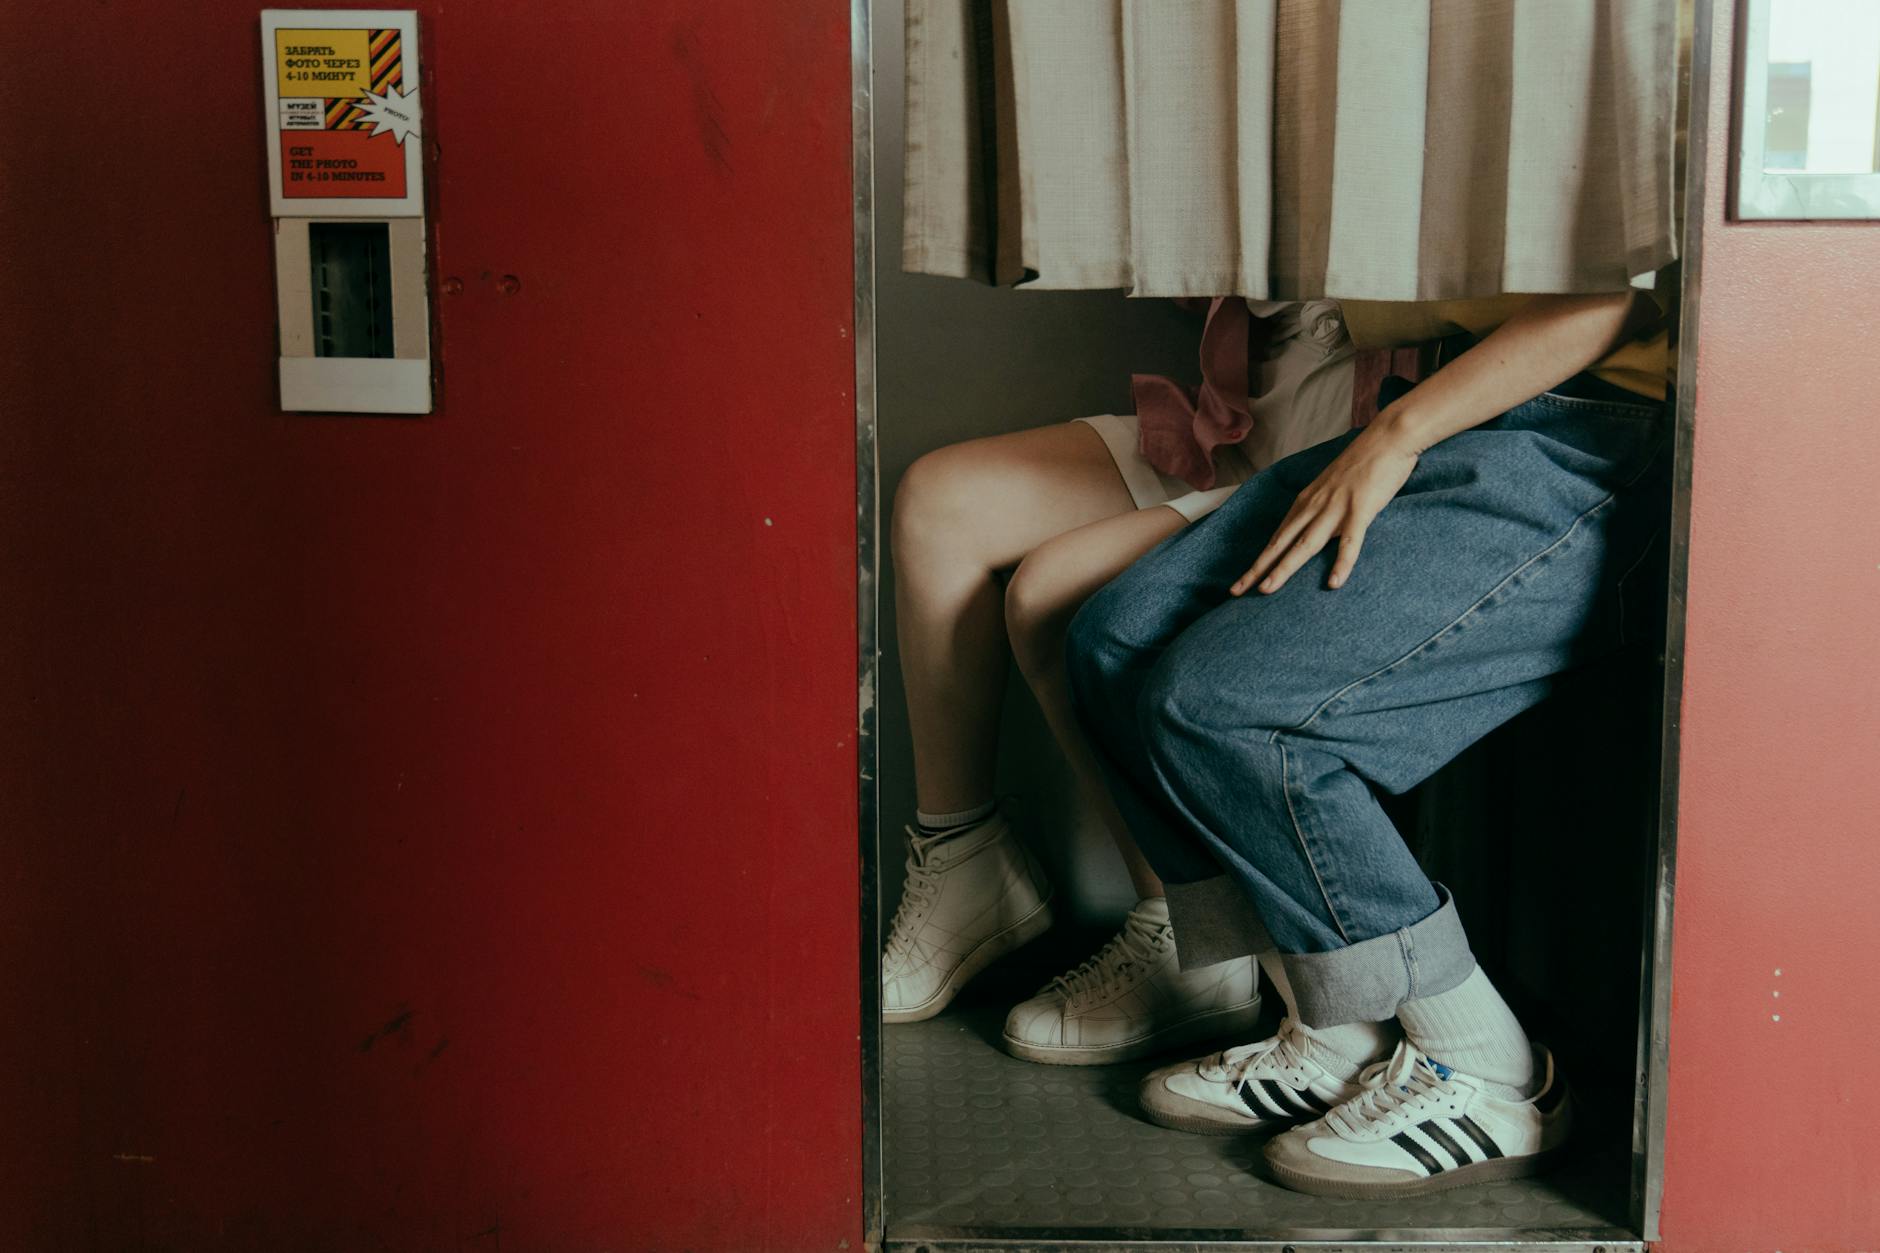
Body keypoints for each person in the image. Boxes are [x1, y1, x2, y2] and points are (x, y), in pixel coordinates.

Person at [1063, 285, 1675, 1195]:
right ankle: (1338, 1026)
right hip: (1473, 404)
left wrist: (1395, 435)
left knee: (1228, 710)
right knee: (1115, 643)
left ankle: (1488, 1068)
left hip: (1599, 433)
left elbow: (1619, 295)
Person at [881, 300, 1356, 1065]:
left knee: (1055, 593)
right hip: (1243, 417)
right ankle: (961, 853)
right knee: (939, 503)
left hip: (1346, 445)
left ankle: (1189, 936)